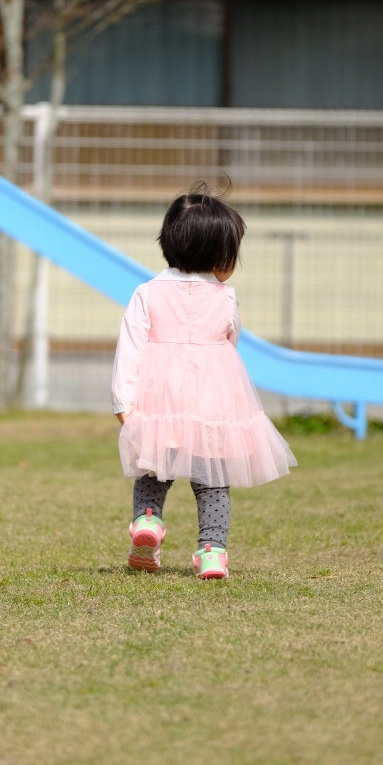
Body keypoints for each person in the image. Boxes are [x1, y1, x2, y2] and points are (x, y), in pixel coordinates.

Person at [111, 184, 296, 580]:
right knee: (212, 482)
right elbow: (230, 341)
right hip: (213, 402)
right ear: (219, 255)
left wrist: (122, 403)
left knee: (153, 470)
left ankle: (147, 523)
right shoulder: (226, 298)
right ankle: (211, 552)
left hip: (158, 401)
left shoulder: (147, 293)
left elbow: (130, 349)